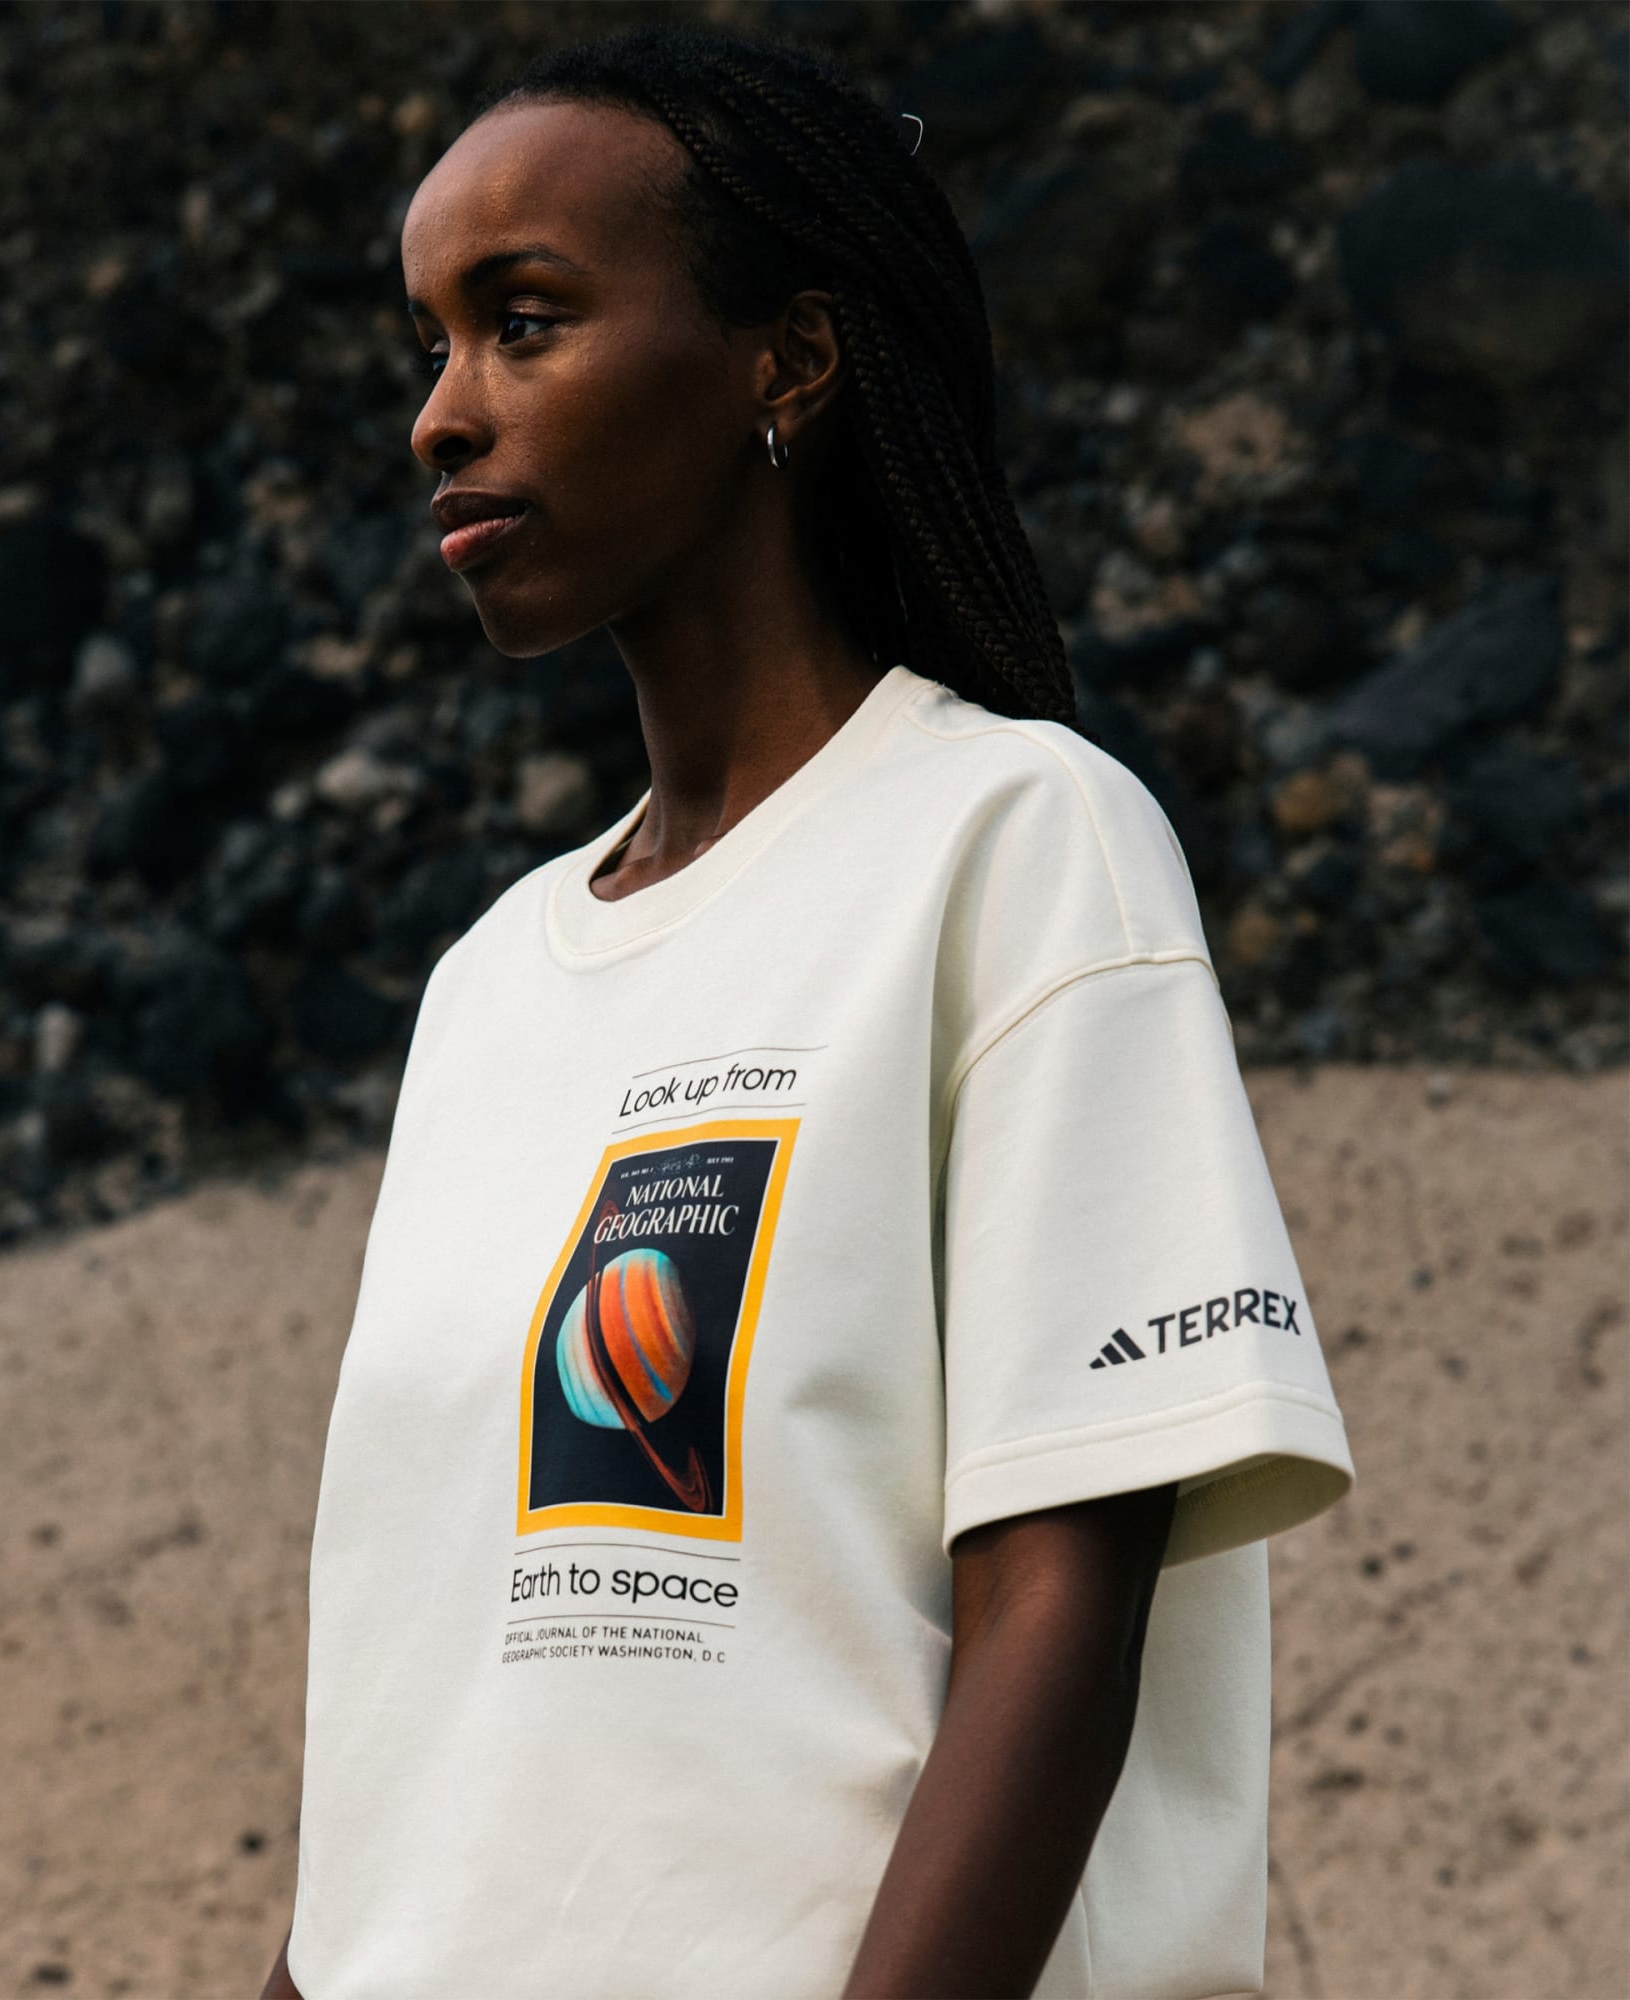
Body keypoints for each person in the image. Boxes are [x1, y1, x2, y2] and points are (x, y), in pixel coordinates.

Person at [260, 23, 1353, 2000]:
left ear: (790, 360)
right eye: (429, 343)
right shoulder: (489, 984)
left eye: (524, 322)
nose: (439, 415)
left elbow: (1057, 1607)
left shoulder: (1014, 846)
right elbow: (417, 1752)